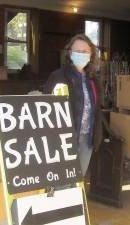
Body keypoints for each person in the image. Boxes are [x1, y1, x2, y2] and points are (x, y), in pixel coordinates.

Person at [44, 34, 102, 177]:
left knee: (77, 179)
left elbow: (97, 110)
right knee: (61, 180)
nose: (81, 55)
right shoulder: (58, 76)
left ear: (91, 55)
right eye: (77, 51)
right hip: (64, 140)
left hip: (87, 139)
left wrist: (98, 135)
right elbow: (46, 107)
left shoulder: (93, 80)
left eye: (85, 52)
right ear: (70, 53)